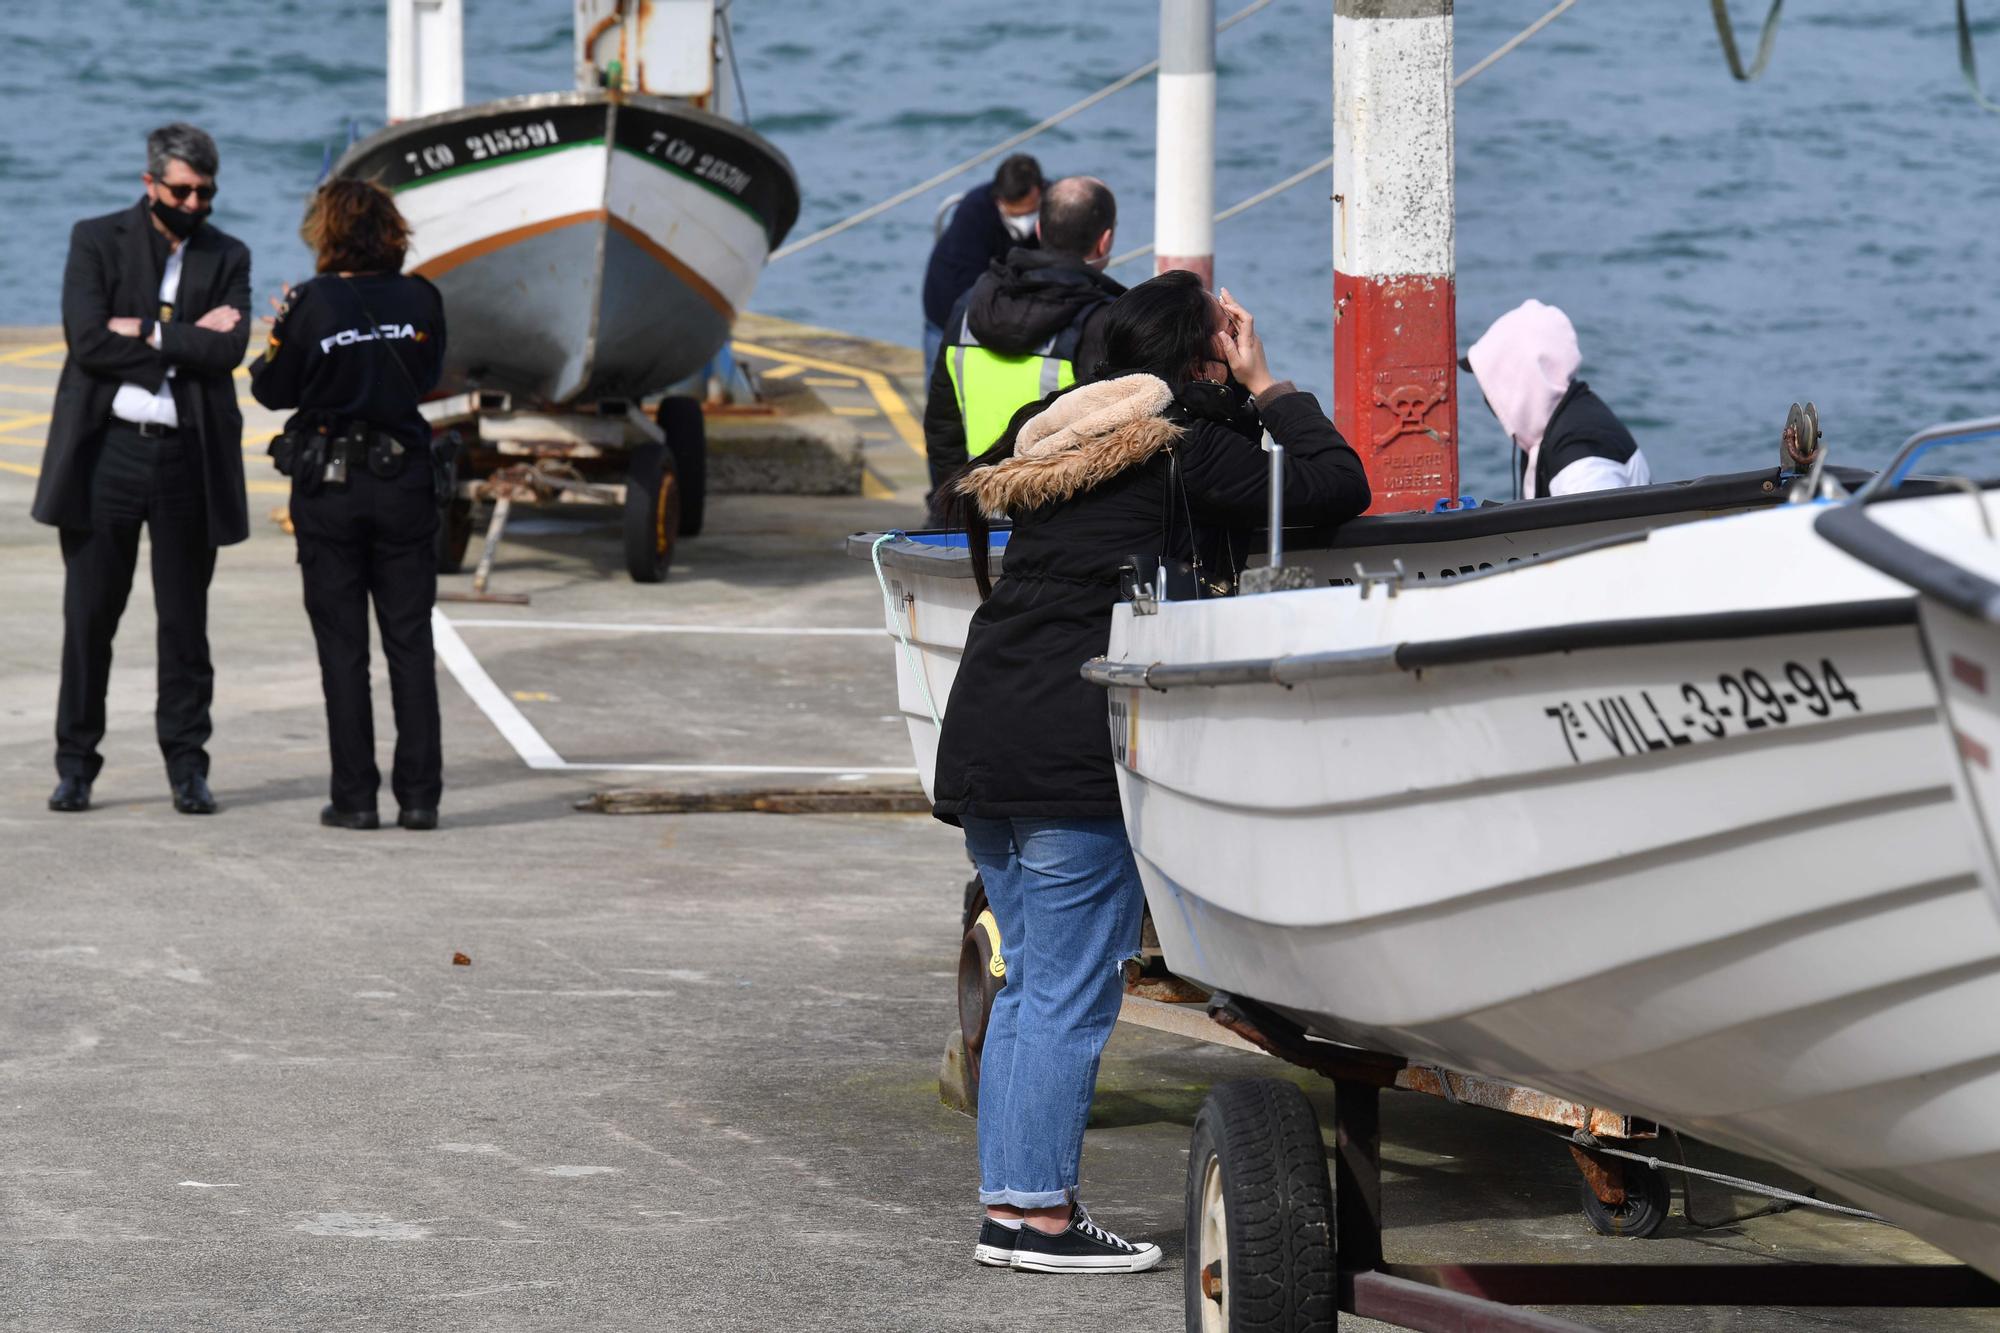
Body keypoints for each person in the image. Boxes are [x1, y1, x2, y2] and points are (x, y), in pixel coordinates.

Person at [933, 273, 1371, 1273]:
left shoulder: (1059, 443)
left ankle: (1012, 1209)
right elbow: (1333, 485)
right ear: (1195, 358)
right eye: (1218, 347)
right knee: (1066, 993)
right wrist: (1267, 385)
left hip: (988, 730)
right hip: (1069, 747)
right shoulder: (1182, 450)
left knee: (1033, 980)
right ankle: (1040, 1217)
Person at [35, 123, 252, 816]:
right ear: (150, 182)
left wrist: (149, 331)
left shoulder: (229, 254)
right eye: (182, 190)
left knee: (186, 623)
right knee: (90, 615)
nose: (194, 204)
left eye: (205, 192)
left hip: (188, 455)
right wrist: (185, 339)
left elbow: (230, 352)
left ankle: (188, 766)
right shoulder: (96, 239)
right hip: (109, 453)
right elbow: (88, 339)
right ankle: (76, 765)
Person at [250, 179, 448, 831]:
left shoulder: (312, 301)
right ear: (393, 232)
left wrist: (285, 329)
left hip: (331, 487)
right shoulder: (422, 297)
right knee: (410, 643)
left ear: (326, 231)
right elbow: (427, 377)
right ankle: (420, 797)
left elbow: (273, 391)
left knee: (344, 650)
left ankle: (355, 797)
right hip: (404, 482)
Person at [923, 175, 1125, 499]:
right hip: (1057, 517)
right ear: (1105, 241)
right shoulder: (1104, 322)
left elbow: (942, 427)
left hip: (978, 508)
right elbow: (1113, 443)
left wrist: (957, 508)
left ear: (1040, 231)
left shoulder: (970, 307)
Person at [1463, 299, 1650, 499]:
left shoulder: (1579, 455)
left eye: (1493, 383)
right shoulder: (1565, 423)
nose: (1488, 397)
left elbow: (1597, 529)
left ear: (1518, 380)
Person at [921, 153, 1044, 378]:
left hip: (1013, 316)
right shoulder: (974, 212)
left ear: (1040, 193)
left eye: (1029, 212)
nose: (1023, 220)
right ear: (999, 200)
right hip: (949, 310)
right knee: (942, 379)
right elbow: (967, 283)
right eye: (1015, 213)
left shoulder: (1054, 205)